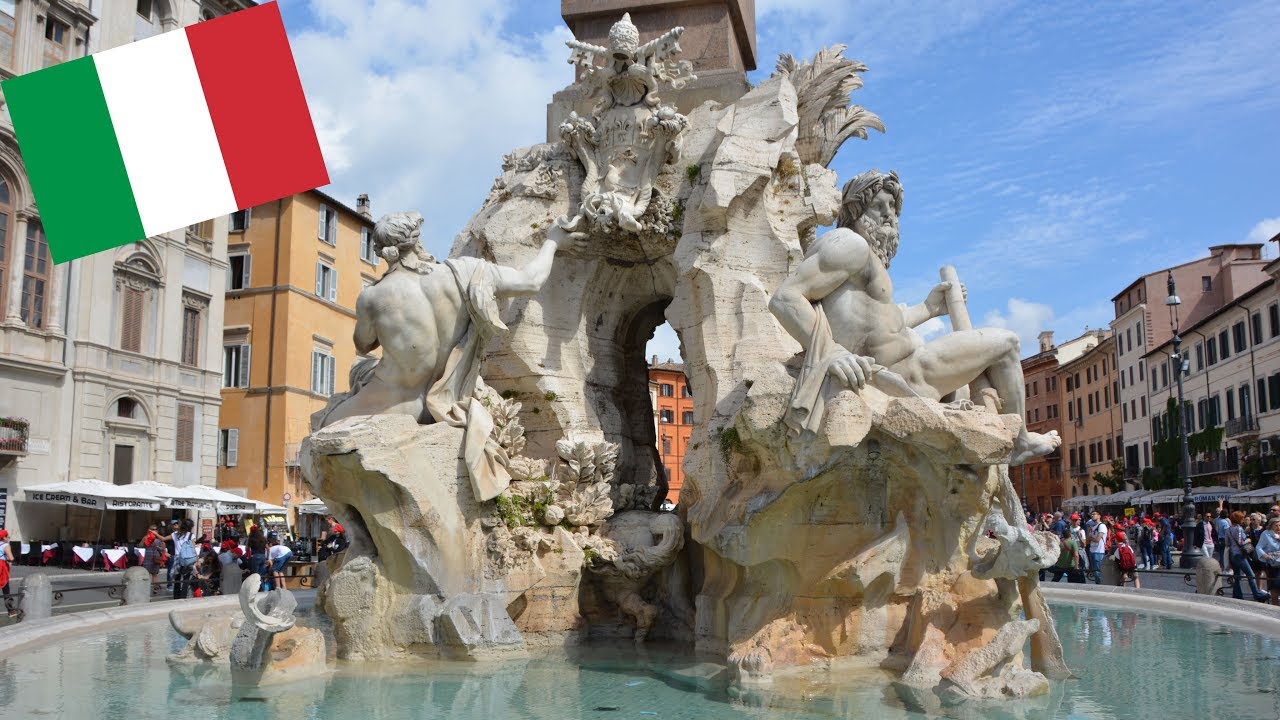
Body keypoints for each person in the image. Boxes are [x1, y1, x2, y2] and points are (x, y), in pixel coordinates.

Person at [767, 170, 1061, 463]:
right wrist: (831, 353)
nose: (888, 216)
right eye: (878, 207)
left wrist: (929, 309)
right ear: (856, 210)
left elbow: (880, 330)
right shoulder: (848, 244)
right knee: (1007, 342)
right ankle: (1021, 442)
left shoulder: (866, 261)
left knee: (985, 357)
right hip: (908, 373)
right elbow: (785, 298)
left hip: (910, 366)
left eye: (892, 209)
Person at [1225, 510, 1269, 602]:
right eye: (1241, 518)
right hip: (1240, 555)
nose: (1243, 520)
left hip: (1232, 555)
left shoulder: (1228, 529)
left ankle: (1237, 594)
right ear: (1238, 519)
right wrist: (1248, 540)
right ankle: (1257, 594)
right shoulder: (1239, 529)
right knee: (1251, 574)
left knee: (1237, 575)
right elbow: (1241, 542)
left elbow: (1227, 543)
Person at [158, 519, 197, 600]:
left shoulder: (175, 534)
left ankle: (176, 596)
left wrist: (155, 533)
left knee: (177, 578)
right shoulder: (191, 535)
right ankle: (183, 596)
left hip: (177, 559)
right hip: (187, 559)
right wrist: (197, 559)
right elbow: (193, 549)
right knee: (186, 578)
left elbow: (163, 539)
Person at [1256, 517, 1280, 605]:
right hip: (1273, 563)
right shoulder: (1266, 534)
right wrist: (1265, 555)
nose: (1278, 527)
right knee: (1275, 587)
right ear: (1271, 526)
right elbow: (1258, 547)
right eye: (1276, 525)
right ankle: (1275, 608)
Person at [1087, 512, 1108, 585]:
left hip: (1098, 551)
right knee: (1095, 570)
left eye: (1094, 514)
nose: (1092, 515)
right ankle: (1098, 584)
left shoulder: (1101, 526)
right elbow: (1088, 540)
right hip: (1092, 550)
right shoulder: (1093, 527)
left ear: (1099, 516)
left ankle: (1101, 586)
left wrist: (1090, 538)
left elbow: (1097, 539)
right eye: (1091, 514)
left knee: (1098, 571)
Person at [0, 530, 13, 616]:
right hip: (2, 567)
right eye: (7, 536)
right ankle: (11, 611)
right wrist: (7, 559)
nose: (8, 537)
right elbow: (11, 558)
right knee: (5, 589)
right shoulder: (6, 545)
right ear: (3, 537)